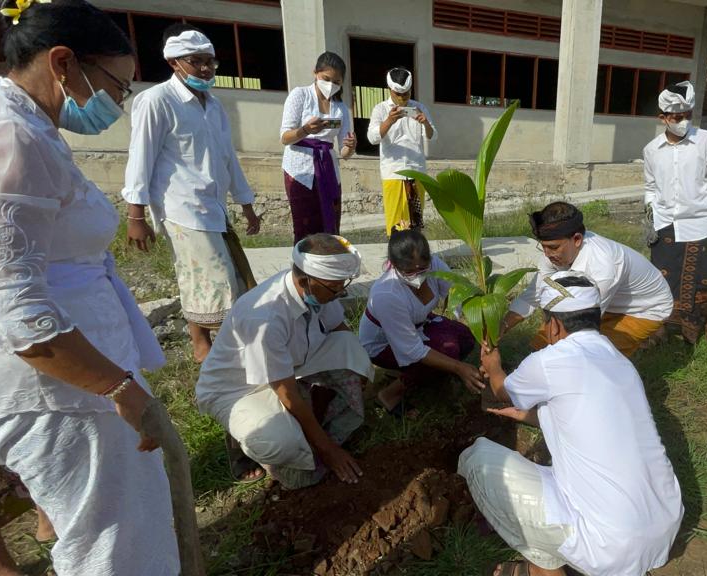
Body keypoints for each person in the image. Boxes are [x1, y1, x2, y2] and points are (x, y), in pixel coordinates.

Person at [0, 1, 179, 573]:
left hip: (79, 371)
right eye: (117, 85)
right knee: (115, 542)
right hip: (63, 389)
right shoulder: (13, 138)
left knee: (113, 526)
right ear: (64, 63)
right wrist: (119, 387)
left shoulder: (27, 126)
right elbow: (12, 307)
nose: (119, 103)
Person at [461, 272, 683, 576]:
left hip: (612, 546)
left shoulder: (551, 360)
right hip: (664, 524)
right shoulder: (620, 361)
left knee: (477, 458)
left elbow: (500, 391)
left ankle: (544, 570)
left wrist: (493, 365)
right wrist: (523, 415)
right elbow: (581, 419)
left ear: (553, 325)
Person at [122, 24, 261, 363]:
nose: (205, 69)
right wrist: (135, 215)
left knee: (221, 277)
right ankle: (205, 345)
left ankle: (212, 344)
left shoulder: (214, 106)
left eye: (210, 62)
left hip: (214, 206)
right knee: (210, 278)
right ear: (174, 62)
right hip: (180, 207)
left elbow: (228, 157)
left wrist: (246, 205)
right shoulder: (156, 101)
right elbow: (140, 158)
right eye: (196, 61)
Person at [196, 234, 373, 488]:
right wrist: (327, 449)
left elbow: (340, 330)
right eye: (336, 288)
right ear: (305, 281)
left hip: (288, 367)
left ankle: (308, 422)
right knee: (280, 442)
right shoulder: (266, 318)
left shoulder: (320, 289)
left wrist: (358, 373)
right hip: (237, 390)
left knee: (352, 351)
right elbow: (287, 392)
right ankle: (241, 440)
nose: (340, 292)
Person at [503, 202, 674, 357]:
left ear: (577, 239)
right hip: (607, 301)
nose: (547, 254)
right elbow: (534, 295)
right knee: (542, 347)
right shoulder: (553, 255)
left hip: (644, 308)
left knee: (595, 357)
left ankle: (652, 332)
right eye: (543, 247)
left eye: (553, 247)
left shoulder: (602, 266)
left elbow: (582, 325)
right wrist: (501, 328)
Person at [644, 80, 707, 345]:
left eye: (687, 116)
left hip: (701, 222)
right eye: (677, 117)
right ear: (663, 118)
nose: (683, 122)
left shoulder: (706, 141)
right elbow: (650, 186)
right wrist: (650, 218)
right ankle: (662, 322)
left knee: (706, 274)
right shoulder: (651, 150)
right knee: (664, 274)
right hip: (665, 223)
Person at [359, 229, 480, 416]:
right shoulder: (387, 294)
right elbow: (412, 349)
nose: (417, 275)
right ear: (394, 265)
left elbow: (456, 292)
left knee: (465, 338)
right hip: (384, 344)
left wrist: (480, 324)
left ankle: (414, 373)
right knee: (447, 349)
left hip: (419, 324)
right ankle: (390, 395)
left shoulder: (434, 265)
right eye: (408, 271)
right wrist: (459, 368)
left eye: (422, 268)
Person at [280, 52, 357, 242]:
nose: (331, 85)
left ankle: (328, 266)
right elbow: (285, 137)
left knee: (330, 223)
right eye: (326, 79)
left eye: (337, 81)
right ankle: (304, 268)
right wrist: (305, 129)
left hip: (328, 169)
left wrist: (351, 146)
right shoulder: (300, 95)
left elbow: (344, 152)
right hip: (300, 170)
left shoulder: (340, 109)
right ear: (315, 73)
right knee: (304, 224)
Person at [366, 67, 437, 235]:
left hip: (416, 172)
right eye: (398, 94)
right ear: (390, 90)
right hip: (393, 173)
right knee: (396, 226)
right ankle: (397, 260)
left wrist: (425, 123)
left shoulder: (420, 108)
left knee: (416, 223)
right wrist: (389, 121)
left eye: (406, 94)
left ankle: (416, 258)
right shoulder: (381, 109)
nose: (402, 98)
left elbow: (432, 136)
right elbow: (372, 138)